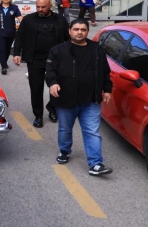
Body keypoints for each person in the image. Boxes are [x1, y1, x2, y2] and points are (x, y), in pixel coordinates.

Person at [45, 19, 113, 176]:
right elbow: (50, 70)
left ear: (88, 31)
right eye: (76, 29)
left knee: (92, 131)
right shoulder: (58, 50)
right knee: (65, 128)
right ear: (70, 31)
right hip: (66, 99)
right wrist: (53, 83)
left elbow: (105, 71)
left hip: (91, 99)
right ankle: (64, 151)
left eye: (83, 29)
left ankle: (95, 164)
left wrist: (107, 90)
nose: (79, 32)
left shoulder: (97, 49)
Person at [13, 0, 70, 128]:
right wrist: (16, 53)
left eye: (43, 7)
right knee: (36, 88)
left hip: (55, 60)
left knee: (57, 87)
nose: (40, 9)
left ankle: (52, 108)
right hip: (35, 59)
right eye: (38, 7)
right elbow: (20, 36)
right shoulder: (28, 19)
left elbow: (68, 39)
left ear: (50, 5)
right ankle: (38, 115)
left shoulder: (60, 20)